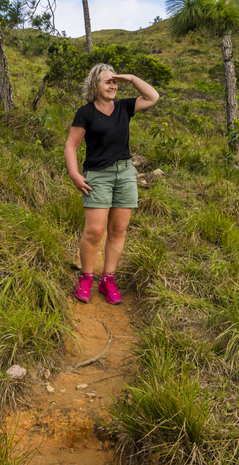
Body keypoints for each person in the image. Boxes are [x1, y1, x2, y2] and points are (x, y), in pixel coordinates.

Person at [64, 63, 159, 304]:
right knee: (95, 231)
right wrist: (75, 174)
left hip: (125, 174)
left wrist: (131, 77)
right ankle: (86, 278)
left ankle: (108, 280)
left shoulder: (125, 107)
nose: (114, 85)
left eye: (115, 82)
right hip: (97, 175)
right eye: (108, 81)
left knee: (118, 230)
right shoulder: (85, 112)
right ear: (95, 85)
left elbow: (153, 96)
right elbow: (71, 145)